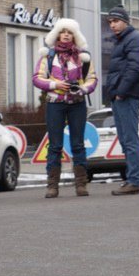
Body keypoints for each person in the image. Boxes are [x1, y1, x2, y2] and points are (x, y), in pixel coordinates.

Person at [32, 18, 98, 198]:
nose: (66, 35)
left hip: (77, 103)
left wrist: (83, 88)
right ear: (57, 35)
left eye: (70, 32)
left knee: (78, 144)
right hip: (55, 104)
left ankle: (81, 185)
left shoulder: (84, 58)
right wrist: (55, 85)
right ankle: (52, 186)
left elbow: (92, 79)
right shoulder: (48, 56)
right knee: (55, 146)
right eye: (63, 32)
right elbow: (36, 78)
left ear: (75, 36)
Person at [103, 5, 139, 196]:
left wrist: (121, 92)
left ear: (126, 21)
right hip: (119, 95)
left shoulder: (135, 40)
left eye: (116, 21)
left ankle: (134, 181)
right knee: (124, 139)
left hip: (127, 95)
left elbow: (135, 68)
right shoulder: (122, 41)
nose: (112, 25)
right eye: (110, 22)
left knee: (130, 139)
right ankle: (131, 179)